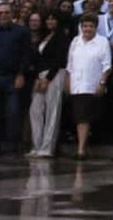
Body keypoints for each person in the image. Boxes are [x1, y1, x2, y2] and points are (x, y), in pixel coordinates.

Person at [0, 2, 30, 155]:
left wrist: (21, 74)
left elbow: (25, 55)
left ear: (12, 14)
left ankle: (11, 146)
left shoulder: (22, 31)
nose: (3, 15)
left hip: (12, 77)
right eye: (1, 13)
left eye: (6, 12)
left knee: (13, 113)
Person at [65, 13, 112, 160]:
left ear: (96, 27)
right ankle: (82, 147)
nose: (87, 29)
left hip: (91, 84)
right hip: (76, 85)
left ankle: (81, 150)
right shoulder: (75, 41)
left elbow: (107, 65)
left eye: (90, 26)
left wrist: (102, 83)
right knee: (80, 118)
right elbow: (70, 64)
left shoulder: (102, 42)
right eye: (85, 26)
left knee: (84, 118)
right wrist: (68, 82)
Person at [28, 11, 68, 158]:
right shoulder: (44, 37)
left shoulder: (62, 37)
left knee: (52, 111)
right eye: (48, 19)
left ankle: (47, 147)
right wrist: (38, 77)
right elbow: (39, 59)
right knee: (35, 110)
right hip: (40, 74)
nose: (50, 21)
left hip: (55, 74)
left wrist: (48, 78)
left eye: (53, 19)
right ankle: (36, 145)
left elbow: (59, 59)